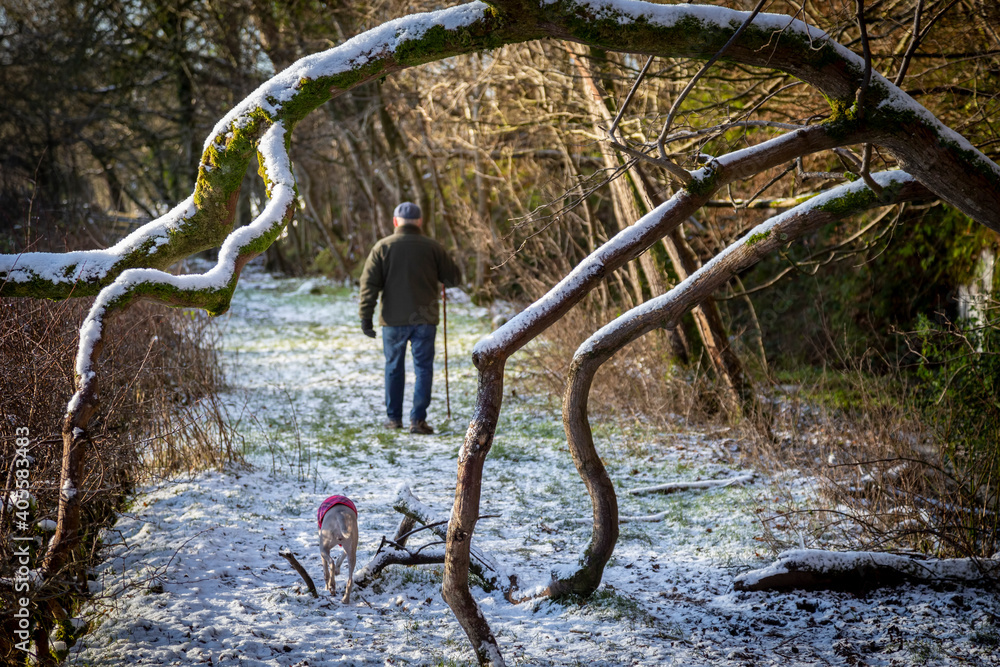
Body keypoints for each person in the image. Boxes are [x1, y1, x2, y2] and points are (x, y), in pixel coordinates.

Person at [359, 202, 462, 434]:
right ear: (420, 222)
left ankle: (394, 418)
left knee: (393, 368)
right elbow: (454, 278)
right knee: (423, 369)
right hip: (425, 320)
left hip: (393, 321)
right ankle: (418, 420)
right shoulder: (433, 247)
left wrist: (366, 317)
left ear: (396, 222)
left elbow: (369, 286)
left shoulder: (382, 247)